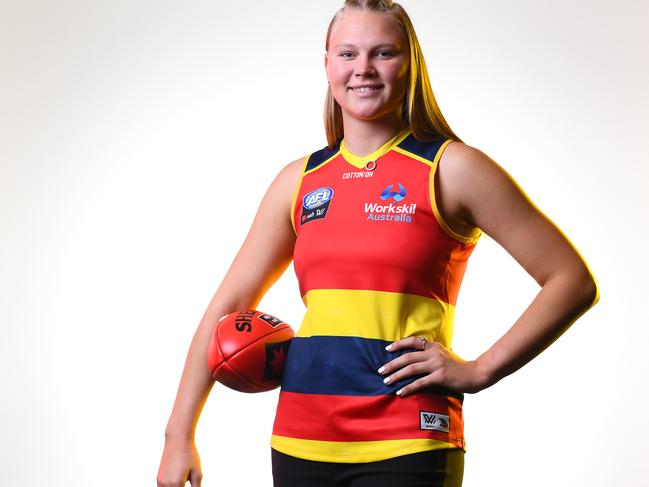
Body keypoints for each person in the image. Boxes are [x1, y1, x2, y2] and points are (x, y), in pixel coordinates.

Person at [157, 1, 599, 486]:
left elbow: (571, 281)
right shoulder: (299, 181)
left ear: (409, 63)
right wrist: (179, 435)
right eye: (348, 54)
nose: (363, 69)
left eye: (382, 53)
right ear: (327, 64)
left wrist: (480, 370)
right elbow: (229, 306)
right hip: (300, 439)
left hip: (408, 438)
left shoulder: (452, 169)